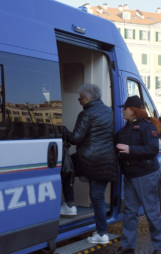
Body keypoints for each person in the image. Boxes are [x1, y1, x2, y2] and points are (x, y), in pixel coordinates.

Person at [61, 83, 118, 245]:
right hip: (107, 160)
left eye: (80, 100)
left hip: (89, 159)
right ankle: (101, 233)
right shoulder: (109, 112)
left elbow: (75, 139)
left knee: (66, 168)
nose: (80, 102)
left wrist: (62, 128)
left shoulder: (86, 114)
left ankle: (70, 205)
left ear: (86, 99)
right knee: (98, 197)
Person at [113, 96, 161, 254]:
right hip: (130, 175)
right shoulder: (126, 128)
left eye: (126, 108)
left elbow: (153, 150)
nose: (123, 111)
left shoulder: (147, 127)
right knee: (130, 212)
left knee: (152, 212)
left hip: (145, 174)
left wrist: (130, 149)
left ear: (134, 110)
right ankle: (128, 246)